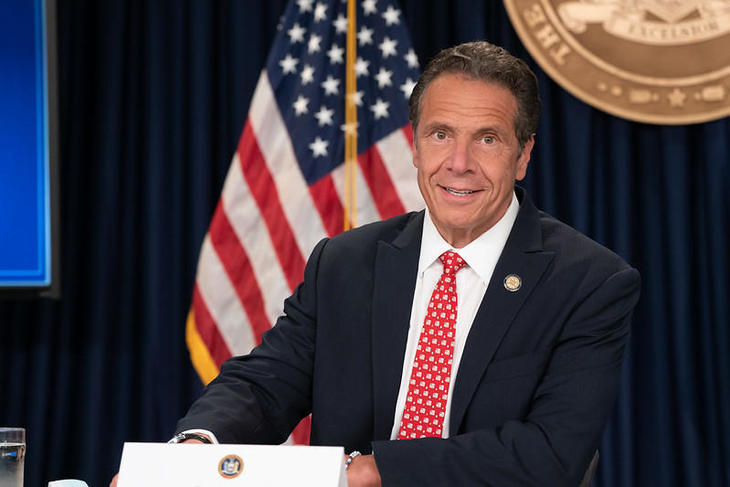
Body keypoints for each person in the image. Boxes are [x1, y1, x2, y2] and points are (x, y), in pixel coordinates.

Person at [112, 41, 640, 487]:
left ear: (523, 154)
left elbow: (550, 452)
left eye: (487, 139)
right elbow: (265, 382)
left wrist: (376, 470)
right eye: (440, 134)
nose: (459, 163)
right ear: (415, 147)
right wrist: (196, 450)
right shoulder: (344, 263)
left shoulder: (589, 281)